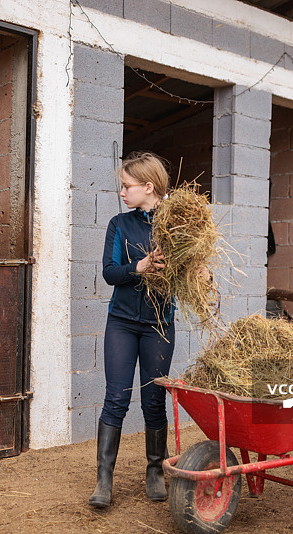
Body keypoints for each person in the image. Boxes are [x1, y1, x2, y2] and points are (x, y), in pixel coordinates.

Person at [89, 152, 175, 508]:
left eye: (127, 186)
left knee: (154, 402)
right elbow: (110, 272)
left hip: (159, 323)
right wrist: (138, 266)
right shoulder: (119, 224)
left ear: (148, 187)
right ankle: (103, 481)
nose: (122, 192)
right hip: (122, 322)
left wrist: (198, 273)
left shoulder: (176, 224)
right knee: (116, 399)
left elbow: (191, 267)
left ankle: (155, 471)